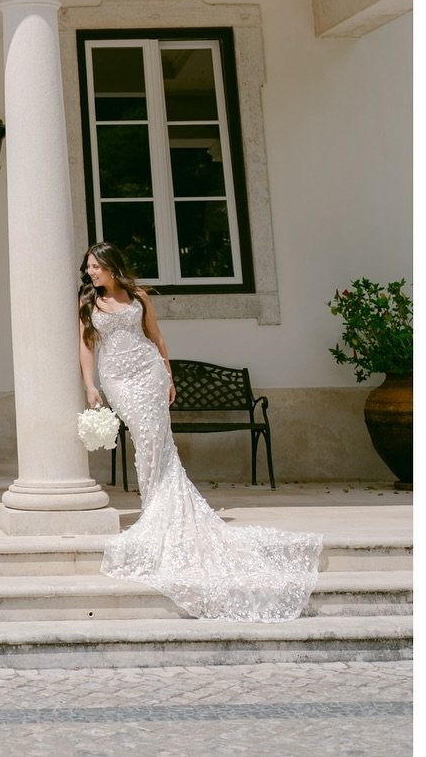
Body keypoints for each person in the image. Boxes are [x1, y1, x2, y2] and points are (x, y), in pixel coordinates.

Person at [78, 240, 322, 620]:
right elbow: (86, 347)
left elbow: (156, 337)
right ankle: (156, 510)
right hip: (118, 379)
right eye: (89, 267)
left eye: (96, 266)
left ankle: (156, 509)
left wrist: (168, 376)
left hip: (148, 372)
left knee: (158, 440)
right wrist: (90, 386)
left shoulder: (138, 296)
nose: (91, 272)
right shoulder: (88, 302)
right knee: (146, 438)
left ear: (111, 266)